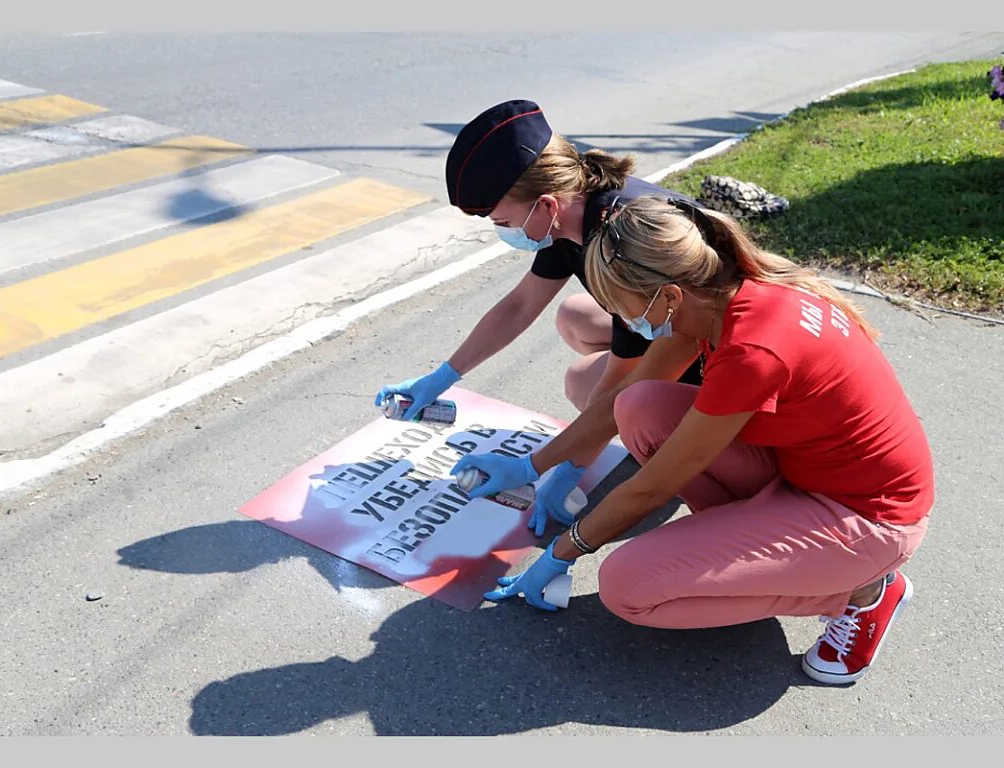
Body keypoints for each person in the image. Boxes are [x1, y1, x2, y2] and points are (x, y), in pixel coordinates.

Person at [451, 196, 935, 685]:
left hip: (869, 519)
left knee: (628, 587)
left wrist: (564, 550)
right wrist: (533, 465)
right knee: (640, 407)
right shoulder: (715, 299)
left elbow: (651, 489)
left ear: (668, 296)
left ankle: (862, 593)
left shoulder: (753, 350)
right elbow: (620, 399)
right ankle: (761, 556)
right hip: (807, 476)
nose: (623, 320)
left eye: (623, 305)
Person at [375, 99, 705, 537]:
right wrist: (442, 376)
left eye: (502, 220)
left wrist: (560, 470)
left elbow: (614, 387)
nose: (503, 231)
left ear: (546, 205)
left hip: (704, 357)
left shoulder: (622, 248)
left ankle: (679, 447)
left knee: (586, 386)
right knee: (574, 315)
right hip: (669, 326)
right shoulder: (574, 211)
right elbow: (519, 306)